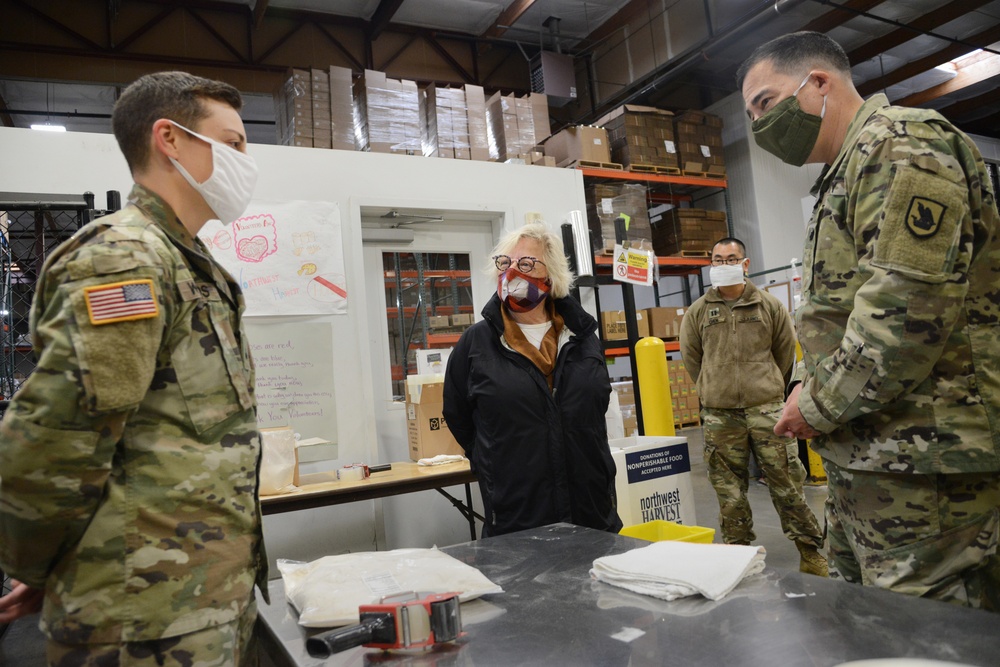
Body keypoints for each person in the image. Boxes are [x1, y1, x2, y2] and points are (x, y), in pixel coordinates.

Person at [0, 71, 268, 663]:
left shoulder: (188, 263)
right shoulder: (126, 258)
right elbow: (52, 441)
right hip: (140, 620)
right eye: (235, 143)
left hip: (195, 603)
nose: (246, 160)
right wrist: (44, 564)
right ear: (169, 140)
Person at [739, 31, 1000, 609]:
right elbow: (847, 314)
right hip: (873, 454)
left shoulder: (901, 146)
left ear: (819, 83)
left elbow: (904, 317)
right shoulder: (845, 170)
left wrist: (814, 404)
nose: (758, 125)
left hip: (925, 464)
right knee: (869, 624)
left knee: (925, 635)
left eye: (765, 102)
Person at [443, 222, 622, 538]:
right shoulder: (477, 343)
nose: (512, 272)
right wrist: (492, 462)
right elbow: (457, 414)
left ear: (550, 277)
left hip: (591, 509)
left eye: (526, 264)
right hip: (518, 514)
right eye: (506, 263)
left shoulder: (582, 337)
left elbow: (597, 407)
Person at [680, 237, 827, 576]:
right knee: (728, 492)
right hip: (720, 416)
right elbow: (692, 358)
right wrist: (711, 388)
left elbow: (784, 354)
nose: (723, 264)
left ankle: (810, 551)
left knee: (788, 483)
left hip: (767, 410)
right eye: (717, 259)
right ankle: (738, 555)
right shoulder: (699, 311)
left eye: (730, 258)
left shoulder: (769, 306)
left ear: (745, 264)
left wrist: (768, 387)